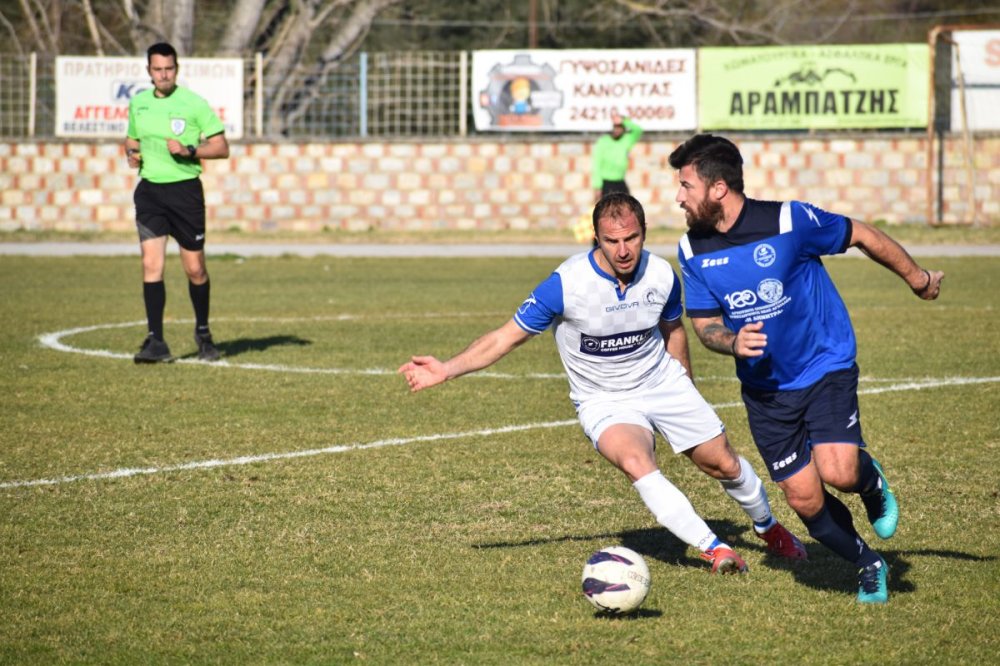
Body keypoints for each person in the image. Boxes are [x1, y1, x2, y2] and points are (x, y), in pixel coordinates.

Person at [399, 192, 807, 574]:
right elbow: (506, 336)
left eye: (632, 238)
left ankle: (767, 526)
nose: (624, 250)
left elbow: (673, 330)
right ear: (596, 237)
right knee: (636, 462)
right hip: (604, 400)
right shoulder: (566, 284)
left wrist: (685, 384)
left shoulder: (662, 275)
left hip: (661, 381)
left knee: (724, 464)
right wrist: (446, 369)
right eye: (612, 241)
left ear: (644, 232)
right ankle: (714, 547)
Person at [668, 133, 945, 603]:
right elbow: (705, 323)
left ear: (718, 188)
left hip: (823, 365)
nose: (678, 197)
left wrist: (917, 278)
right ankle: (867, 562)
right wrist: (733, 342)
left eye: (686, 185)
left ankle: (869, 479)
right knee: (804, 498)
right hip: (766, 391)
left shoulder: (788, 220)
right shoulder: (692, 250)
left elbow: (861, 234)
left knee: (838, 471)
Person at [125, 42, 230, 363]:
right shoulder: (139, 104)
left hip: (185, 194)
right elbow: (131, 140)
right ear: (149, 71)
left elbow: (222, 147)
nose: (163, 75)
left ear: (176, 69)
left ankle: (203, 334)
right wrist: (131, 154)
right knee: (150, 265)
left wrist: (190, 151)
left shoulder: (193, 104)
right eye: (157, 69)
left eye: (168, 69)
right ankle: (156, 341)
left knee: (195, 269)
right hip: (151, 194)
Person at [591, 112, 643, 204]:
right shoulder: (603, 141)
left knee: (628, 206)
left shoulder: (626, 139)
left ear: (623, 129)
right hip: (606, 183)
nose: (617, 130)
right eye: (616, 127)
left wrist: (623, 120)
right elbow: (596, 164)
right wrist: (597, 186)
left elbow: (638, 130)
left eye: (620, 127)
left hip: (620, 181)